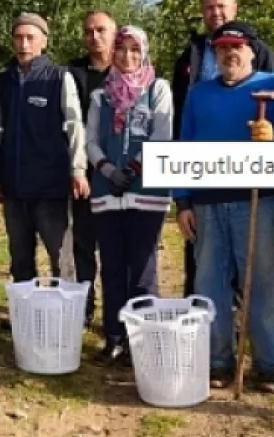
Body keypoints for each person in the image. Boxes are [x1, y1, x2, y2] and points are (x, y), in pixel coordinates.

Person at [173, 21, 274, 393]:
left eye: (237, 47)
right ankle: (218, 360)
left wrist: (273, 139)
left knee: (262, 282)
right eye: (222, 48)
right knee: (210, 281)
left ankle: (270, 364)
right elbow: (185, 147)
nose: (229, 54)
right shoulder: (199, 94)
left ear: (251, 51)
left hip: (255, 200)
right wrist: (182, 200)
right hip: (207, 202)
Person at [171, 0, 274, 299]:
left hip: (246, 177)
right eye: (209, 7)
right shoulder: (190, 55)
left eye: (222, 6)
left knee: (247, 264)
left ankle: (240, 329)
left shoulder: (259, 52)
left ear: (235, 8)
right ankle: (203, 329)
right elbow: (182, 121)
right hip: (202, 174)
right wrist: (183, 195)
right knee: (202, 262)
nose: (215, 12)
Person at [84, 26, 173, 366]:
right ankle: (115, 336)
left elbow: (161, 136)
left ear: (145, 52)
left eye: (135, 49)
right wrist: (106, 170)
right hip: (108, 193)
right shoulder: (100, 95)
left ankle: (146, 340)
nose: (128, 56)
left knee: (143, 268)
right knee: (112, 267)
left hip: (145, 192)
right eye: (121, 49)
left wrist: (133, 169)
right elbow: (91, 140)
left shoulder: (157, 89)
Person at [0, 12, 89, 290]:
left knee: (60, 255)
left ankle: (69, 313)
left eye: (30, 38)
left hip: (50, 186)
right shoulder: (2, 82)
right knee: (20, 258)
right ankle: (25, 315)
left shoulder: (59, 78)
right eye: (19, 38)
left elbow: (74, 126)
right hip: (13, 187)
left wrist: (78, 169)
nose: (24, 44)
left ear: (43, 42)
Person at [67, 10, 117, 326]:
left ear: (114, 33)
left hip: (119, 174)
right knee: (83, 244)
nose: (94, 36)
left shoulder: (129, 70)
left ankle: (116, 315)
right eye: (88, 31)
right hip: (85, 173)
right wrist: (77, 168)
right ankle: (84, 307)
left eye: (101, 30)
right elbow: (71, 123)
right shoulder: (72, 72)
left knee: (114, 248)